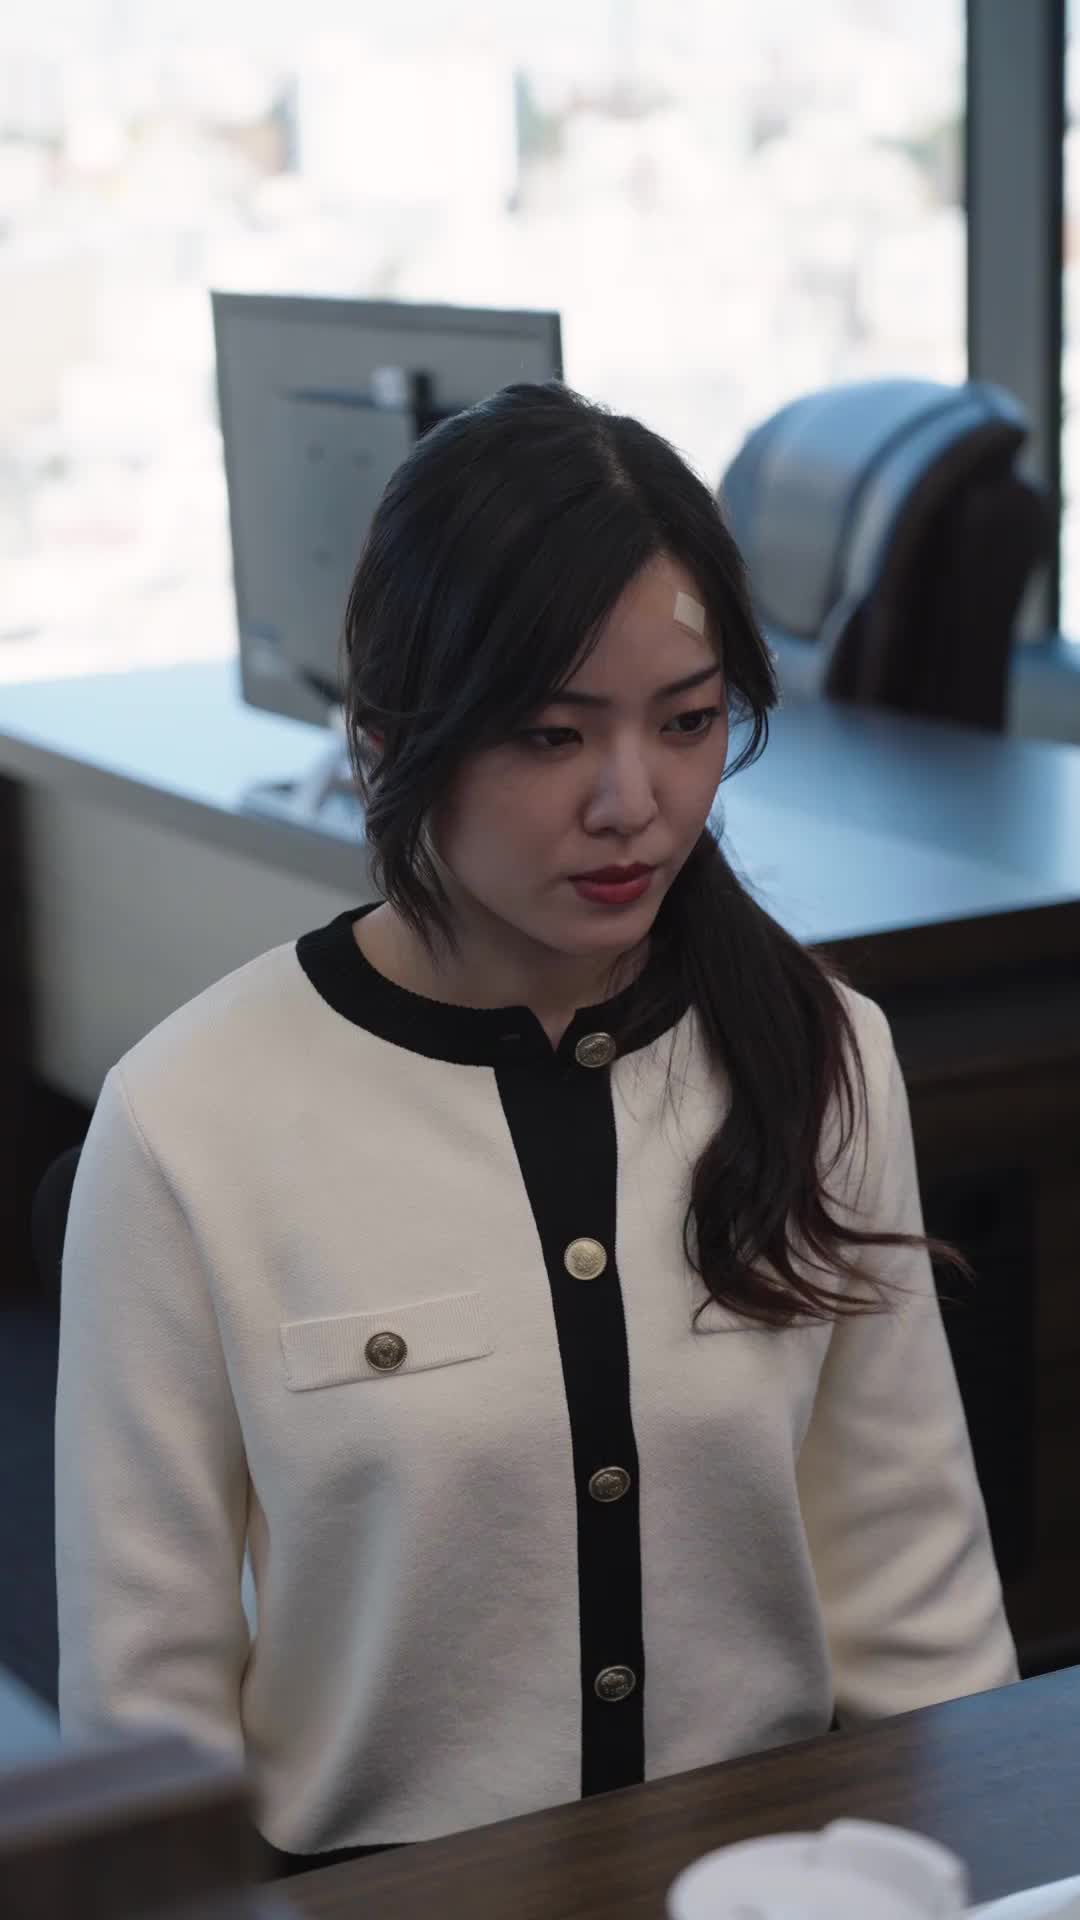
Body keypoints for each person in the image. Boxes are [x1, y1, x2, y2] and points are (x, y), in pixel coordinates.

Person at [54, 381, 1018, 1879]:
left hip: (764, 1884)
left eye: (688, 722)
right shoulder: (189, 1123)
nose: (634, 802)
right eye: (551, 734)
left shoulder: (821, 1050)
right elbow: (147, 1728)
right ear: (388, 742)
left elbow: (922, 1615)